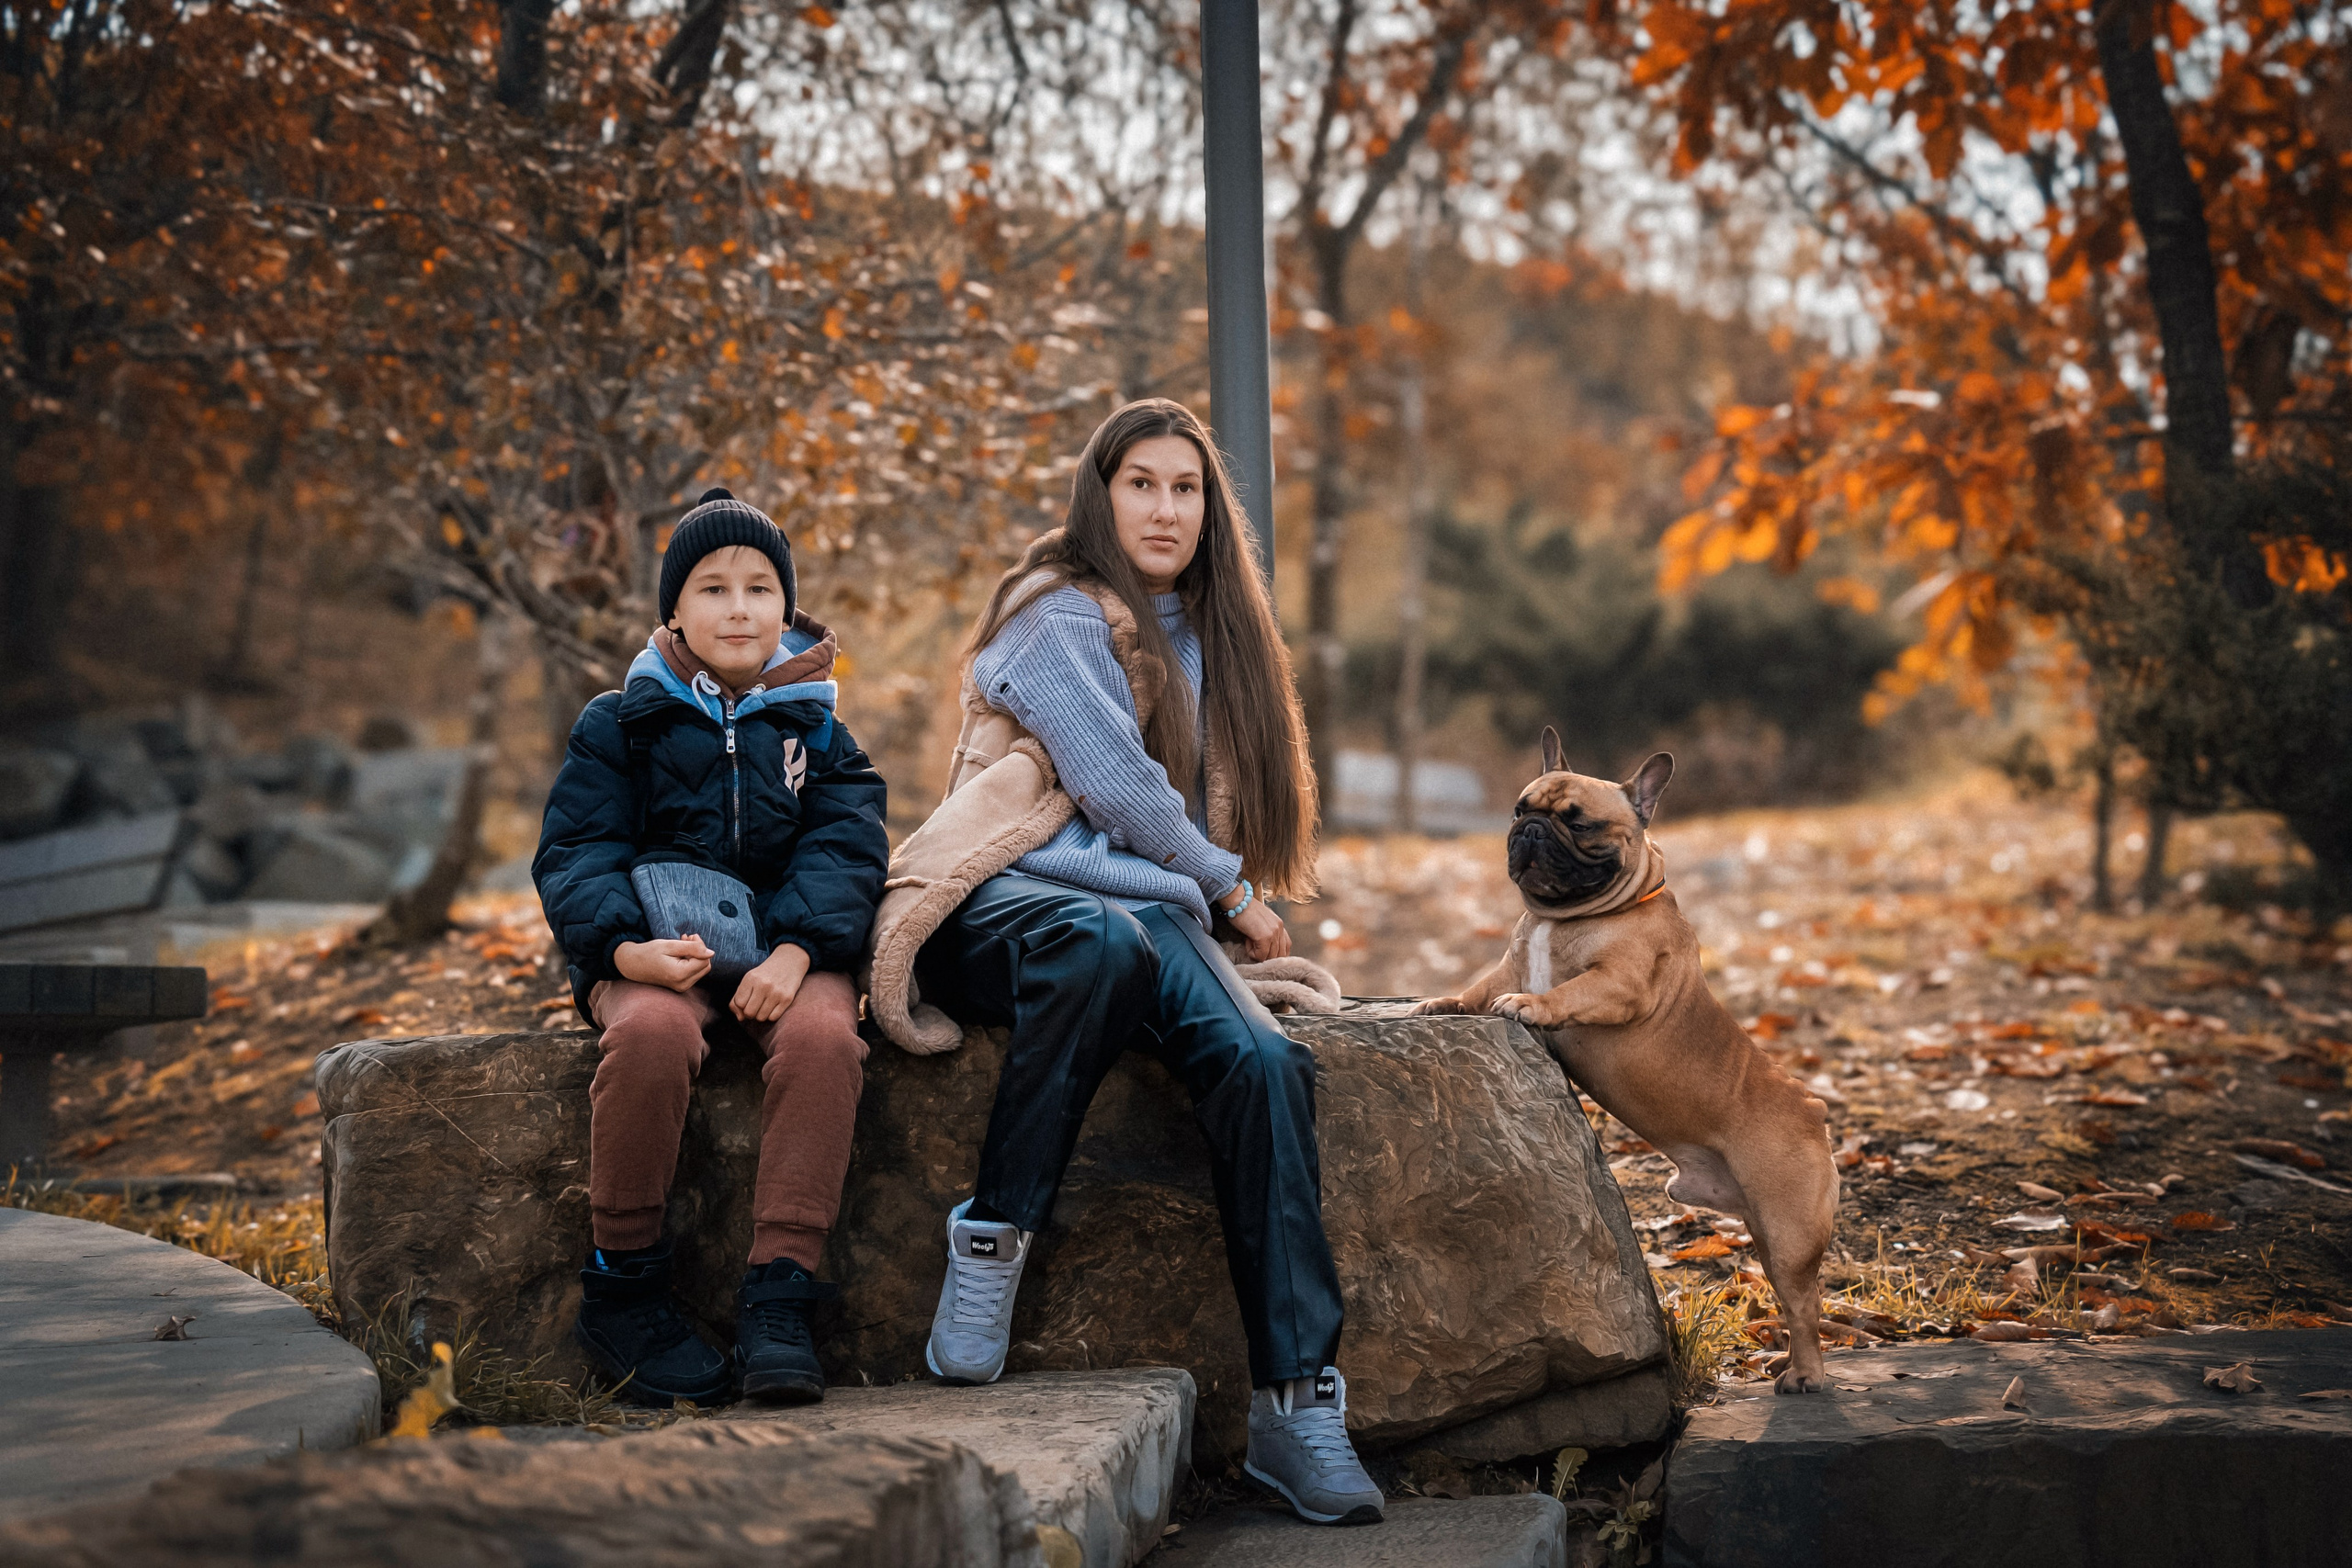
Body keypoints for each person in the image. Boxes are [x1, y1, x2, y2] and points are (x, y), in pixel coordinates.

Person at [865, 400, 1385, 1527]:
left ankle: (1298, 1411)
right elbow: (1113, 785)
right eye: (1140, 483)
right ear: (1099, 496)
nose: (1164, 507)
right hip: (1007, 902)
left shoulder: (1206, 632)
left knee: (1264, 1065)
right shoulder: (1056, 612)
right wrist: (1232, 890)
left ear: (1210, 511)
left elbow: (1159, 839)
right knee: (1099, 943)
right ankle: (994, 1236)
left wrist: (1204, 898)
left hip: (1143, 913)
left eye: (1185, 488)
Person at [534, 487, 888, 1407]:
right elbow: (578, 851)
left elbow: (848, 848)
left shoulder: (817, 729)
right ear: (674, 612)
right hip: (654, 954)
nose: (739, 608)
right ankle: (624, 1285)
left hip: (785, 953)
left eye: (760, 588)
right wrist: (620, 954)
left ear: (786, 607)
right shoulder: (621, 722)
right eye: (713, 588)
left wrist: (799, 952)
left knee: (823, 1042)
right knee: (652, 1035)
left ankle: (780, 1292)